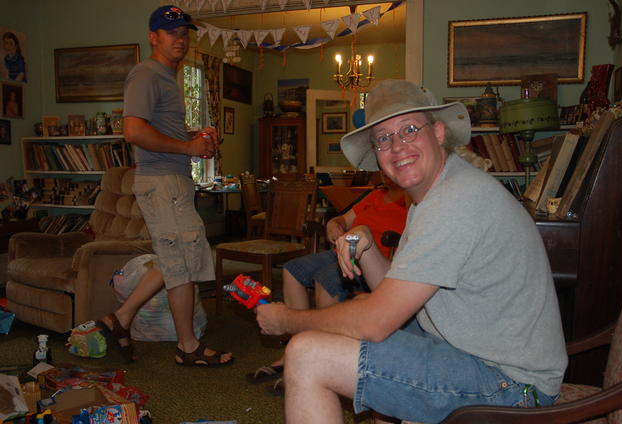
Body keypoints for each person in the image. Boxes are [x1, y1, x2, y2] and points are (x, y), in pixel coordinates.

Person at [255, 80, 567, 423]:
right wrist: (367, 243)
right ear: (376, 153)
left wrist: (287, 320)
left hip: (512, 386)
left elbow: (376, 322)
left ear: (438, 132)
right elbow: (394, 296)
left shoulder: (455, 202)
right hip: (476, 355)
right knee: (359, 316)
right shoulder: (435, 194)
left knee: (306, 354)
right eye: (383, 138)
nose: (397, 146)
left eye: (409, 129)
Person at [99, 5, 233, 367]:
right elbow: (133, 132)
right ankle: (187, 346)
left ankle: (120, 318)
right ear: (153, 37)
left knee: (175, 260)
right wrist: (188, 148)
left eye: (184, 33)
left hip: (171, 181)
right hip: (161, 182)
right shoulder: (146, 74)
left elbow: (158, 132)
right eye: (171, 33)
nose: (180, 39)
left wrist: (195, 139)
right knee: (183, 264)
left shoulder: (166, 78)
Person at [247, 171, 408, 390]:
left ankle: (320, 360)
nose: (385, 173)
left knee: (325, 279)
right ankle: (295, 351)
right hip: (341, 251)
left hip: (371, 261)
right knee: (292, 269)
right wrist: (334, 224)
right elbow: (342, 219)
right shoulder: (375, 195)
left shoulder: (410, 200)